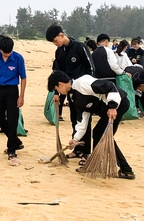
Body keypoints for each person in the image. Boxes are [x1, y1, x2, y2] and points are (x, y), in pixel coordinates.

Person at [48, 70, 136, 179]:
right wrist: (75, 139)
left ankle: (125, 170)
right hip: (108, 108)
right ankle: (99, 165)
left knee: (100, 134)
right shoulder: (73, 96)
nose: (59, 93)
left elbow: (109, 86)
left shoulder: (83, 83)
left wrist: (113, 106)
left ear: (60, 84)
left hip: (119, 103)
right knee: (99, 134)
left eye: (57, 90)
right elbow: (83, 118)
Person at [45, 25, 95, 161]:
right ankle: (77, 149)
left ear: (61, 35)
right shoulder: (59, 52)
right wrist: (56, 93)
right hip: (68, 90)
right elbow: (57, 74)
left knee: (85, 119)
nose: (56, 44)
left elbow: (91, 68)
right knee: (74, 119)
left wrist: (89, 87)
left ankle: (86, 152)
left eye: (56, 41)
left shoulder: (80, 47)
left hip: (84, 89)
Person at [0, 37, 26, 166]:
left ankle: (12, 149)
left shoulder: (18, 58)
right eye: (5, 53)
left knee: (13, 119)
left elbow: (23, 78)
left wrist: (21, 96)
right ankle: (15, 140)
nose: (7, 55)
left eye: (9, 52)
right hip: (0, 90)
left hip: (13, 91)